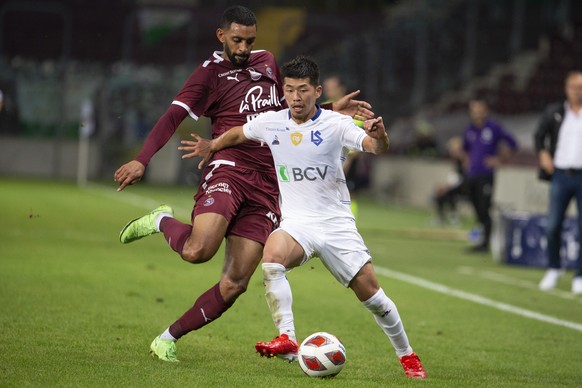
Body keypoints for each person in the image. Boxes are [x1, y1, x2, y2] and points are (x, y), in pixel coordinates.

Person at [113, 5, 373, 362]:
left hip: (268, 184)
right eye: (237, 40)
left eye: (249, 40)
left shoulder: (266, 61)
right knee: (197, 251)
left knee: (235, 283)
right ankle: (161, 220)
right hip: (229, 169)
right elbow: (172, 116)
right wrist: (142, 159)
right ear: (221, 36)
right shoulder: (208, 75)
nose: (244, 48)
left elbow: (287, 112)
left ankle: (167, 337)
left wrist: (328, 108)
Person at [180, 55, 426, 379]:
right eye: (290, 90)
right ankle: (287, 338)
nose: (296, 98)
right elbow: (240, 132)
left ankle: (408, 357)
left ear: (317, 90)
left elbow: (375, 147)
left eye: (304, 90)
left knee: (375, 299)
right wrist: (213, 143)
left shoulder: (336, 125)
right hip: (298, 223)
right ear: (283, 91)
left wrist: (379, 135)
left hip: (336, 224)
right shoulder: (272, 122)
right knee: (272, 258)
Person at [534, 70, 582, 295]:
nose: (577, 91)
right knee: (553, 224)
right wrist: (544, 155)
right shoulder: (555, 112)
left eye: (580, 87)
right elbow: (539, 135)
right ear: (566, 89)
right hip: (561, 174)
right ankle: (554, 267)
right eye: (574, 86)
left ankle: (580, 275)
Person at [461, 99, 518, 253]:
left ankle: (486, 242)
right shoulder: (469, 129)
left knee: (484, 206)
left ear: (485, 111)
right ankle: (483, 238)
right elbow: (465, 149)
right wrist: (467, 162)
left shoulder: (494, 128)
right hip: (472, 174)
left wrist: (499, 159)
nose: (477, 113)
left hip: (486, 175)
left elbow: (513, 143)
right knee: (476, 206)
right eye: (474, 110)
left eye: (480, 109)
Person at [323, 74, 369, 219]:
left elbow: (358, 137)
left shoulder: (352, 108)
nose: (328, 91)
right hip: (326, 158)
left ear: (341, 88)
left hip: (348, 159)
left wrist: (348, 159)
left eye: (332, 87)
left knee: (349, 192)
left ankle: (350, 222)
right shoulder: (324, 108)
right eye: (327, 88)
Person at [433, 137, 466, 226]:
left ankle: (453, 217)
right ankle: (441, 218)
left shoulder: (465, 160)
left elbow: (464, 178)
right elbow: (455, 177)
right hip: (458, 186)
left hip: (467, 186)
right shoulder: (457, 162)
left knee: (448, 193)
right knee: (440, 194)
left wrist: (447, 187)